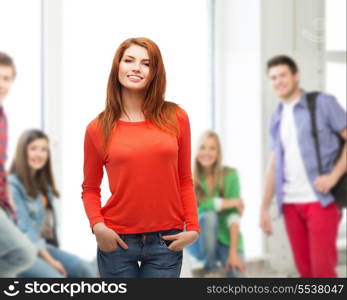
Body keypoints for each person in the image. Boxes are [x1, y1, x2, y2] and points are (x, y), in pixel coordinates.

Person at [81, 37, 200, 278]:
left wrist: (194, 228)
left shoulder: (176, 117)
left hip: (166, 241)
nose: (136, 67)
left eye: (146, 63)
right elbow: (90, 188)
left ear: (155, 72)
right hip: (117, 241)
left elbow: (184, 179)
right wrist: (98, 227)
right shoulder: (97, 128)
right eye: (129, 60)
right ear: (118, 67)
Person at [260, 55, 347, 278]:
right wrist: (264, 207)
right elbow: (274, 164)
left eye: (283, 75)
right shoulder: (277, 117)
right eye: (273, 77)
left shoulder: (322, 103)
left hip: (321, 200)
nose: (278, 81)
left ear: (296, 76)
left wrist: (333, 176)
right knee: (305, 271)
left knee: (322, 272)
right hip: (290, 203)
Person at [9, 129, 95, 277]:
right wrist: (51, 261)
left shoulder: (43, 186)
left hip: (38, 248)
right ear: (23, 152)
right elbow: (25, 231)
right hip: (17, 252)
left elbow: (48, 228)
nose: (39, 154)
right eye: (33, 148)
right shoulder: (12, 186)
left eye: (44, 150)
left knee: (83, 269)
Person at [187, 131, 245, 277]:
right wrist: (229, 202)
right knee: (209, 216)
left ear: (218, 152)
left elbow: (234, 215)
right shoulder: (189, 178)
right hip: (199, 243)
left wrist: (233, 253)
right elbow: (197, 208)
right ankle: (211, 269)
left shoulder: (230, 175)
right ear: (196, 150)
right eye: (202, 147)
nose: (207, 152)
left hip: (225, 239)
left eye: (212, 148)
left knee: (238, 275)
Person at [0, 52, 36, 277]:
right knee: (22, 254)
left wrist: (8, 202)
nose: (2, 84)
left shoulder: (3, 117)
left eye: (6, 78)